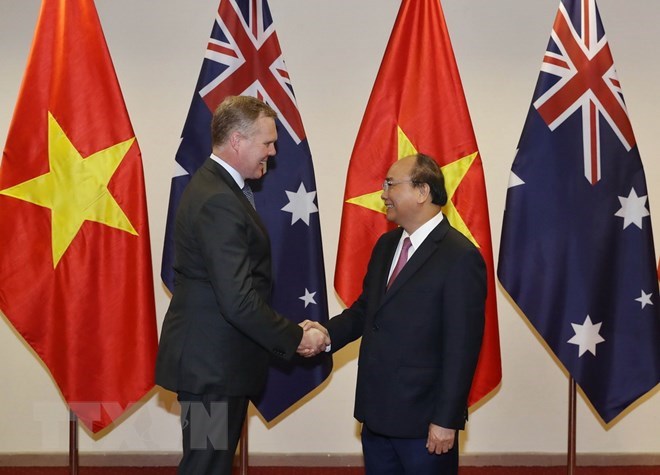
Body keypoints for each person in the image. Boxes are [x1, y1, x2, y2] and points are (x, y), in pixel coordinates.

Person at [155, 95, 328, 475]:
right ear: (237, 140)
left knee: (209, 464)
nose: (273, 151)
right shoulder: (218, 199)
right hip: (211, 370)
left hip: (216, 366)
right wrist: (293, 336)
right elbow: (237, 299)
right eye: (267, 142)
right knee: (206, 466)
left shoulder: (219, 189)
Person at [304, 153, 486, 474]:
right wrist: (326, 334)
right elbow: (365, 311)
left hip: (424, 423)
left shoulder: (460, 256)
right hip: (377, 415)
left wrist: (445, 419)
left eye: (390, 184)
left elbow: (463, 347)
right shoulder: (386, 245)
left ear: (422, 192)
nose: (383, 193)